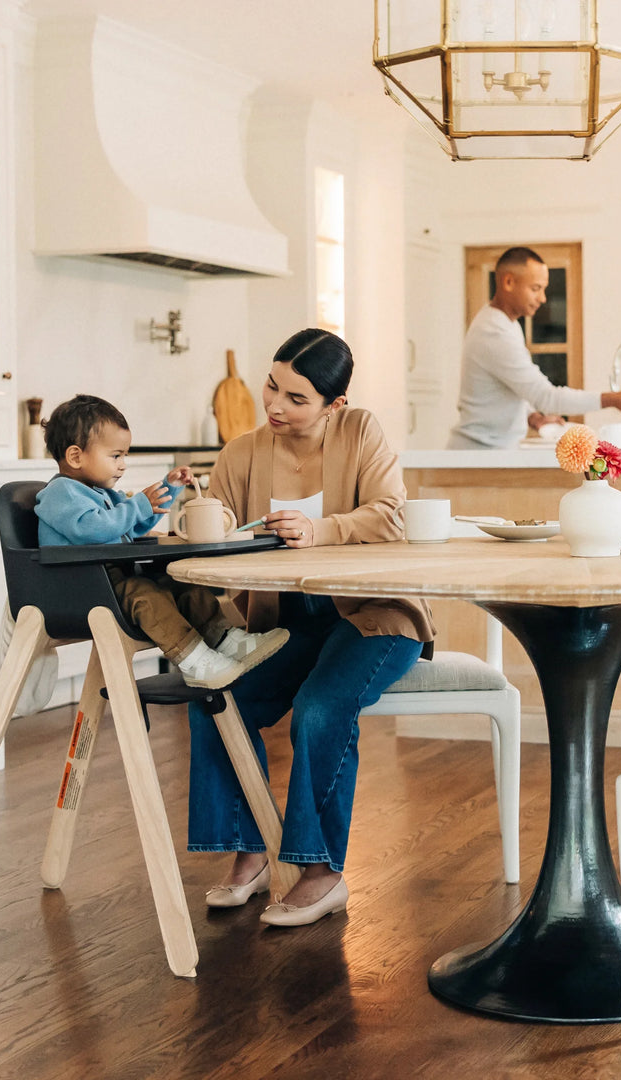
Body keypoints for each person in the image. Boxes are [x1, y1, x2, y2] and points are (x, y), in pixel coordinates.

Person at [188, 328, 435, 926]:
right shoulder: (242, 451)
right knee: (220, 701)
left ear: (334, 406)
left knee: (321, 708)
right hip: (286, 622)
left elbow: (392, 513)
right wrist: (199, 514)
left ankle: (321, 873)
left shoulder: (361, 432)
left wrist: (320, 529)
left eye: (297, 399)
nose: (274, 405)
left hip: (373, 617)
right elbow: (216, 521)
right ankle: (251, 849)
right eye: (272, 386)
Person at [35, 394, 289, 689]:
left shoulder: (100, 493)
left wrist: (168, 489)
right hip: (82, 591)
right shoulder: (61, 493)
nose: (123, 465)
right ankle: (194, 660)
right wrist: (138, 504)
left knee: (177, 583)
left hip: (108, 581)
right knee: (145, 594)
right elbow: (91, 530)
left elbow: (131, 525)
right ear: (76, 456)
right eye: (116, 456)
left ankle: (225, 640)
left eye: (124, 456)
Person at [448, 246, 621, 449]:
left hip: (489, 451)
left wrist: (532, 416)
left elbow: (506, 387)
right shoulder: (494, 332)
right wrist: (613, 399)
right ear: (508, 282)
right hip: (477, 454)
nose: (543, 298)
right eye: (535, 289)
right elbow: (547, 398)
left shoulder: (506, 324)